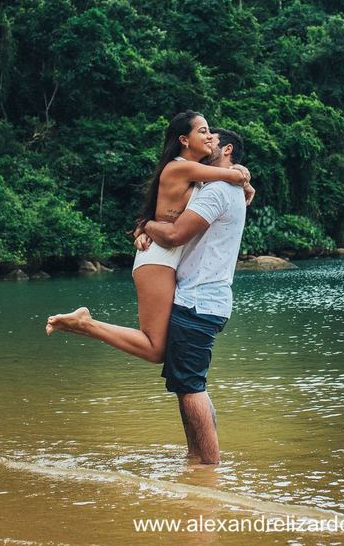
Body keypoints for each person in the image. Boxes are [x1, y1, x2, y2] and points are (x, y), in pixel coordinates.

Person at [45, 112, 253, 365]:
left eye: (211, 134)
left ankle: (84, 323)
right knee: (156, 349)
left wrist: (240, 175)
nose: (209, 137)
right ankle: (85, 324)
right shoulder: (181, 167)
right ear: (184, 140)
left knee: (162, 349)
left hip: (168, 258)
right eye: (203, 131)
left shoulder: (199, 175)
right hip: (159, 257)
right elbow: (233, 177)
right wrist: (241, 176)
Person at [139, 127, 249, 464]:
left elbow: (173, 235)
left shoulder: (217, 190)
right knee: (187, 384)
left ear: (227, 149)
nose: (208, 141)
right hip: (202, 298)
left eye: (213, 137)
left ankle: (210, 466)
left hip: (198, 300)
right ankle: (196, 458)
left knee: (190, 386)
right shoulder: (217, 185)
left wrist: (145, 225)